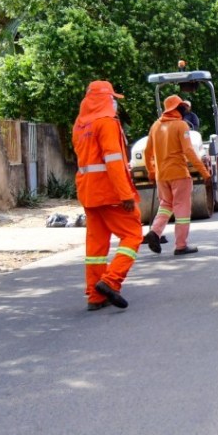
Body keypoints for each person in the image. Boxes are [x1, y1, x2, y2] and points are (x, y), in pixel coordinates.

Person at [71, 80, 142, 310]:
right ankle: (110, 281)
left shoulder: (80, 125)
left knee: (96, 247)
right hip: (110, 192)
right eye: (112, 98)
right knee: (133, 234)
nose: (114, 103)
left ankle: (95, 295)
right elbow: (113, 161)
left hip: (88, 192)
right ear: (105, 99)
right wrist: (126, 195)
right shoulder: (107, 123)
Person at [143, 94, 211, 256]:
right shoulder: (181, 126)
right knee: (182, 209)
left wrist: (151, 171)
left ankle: (155, 232)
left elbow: (147, 152)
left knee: (166, 204)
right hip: (179, 173)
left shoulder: (155, 126)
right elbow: (188, 151)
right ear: (179, 109)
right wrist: (204, 172)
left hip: (161, 175)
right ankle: (181, 245)